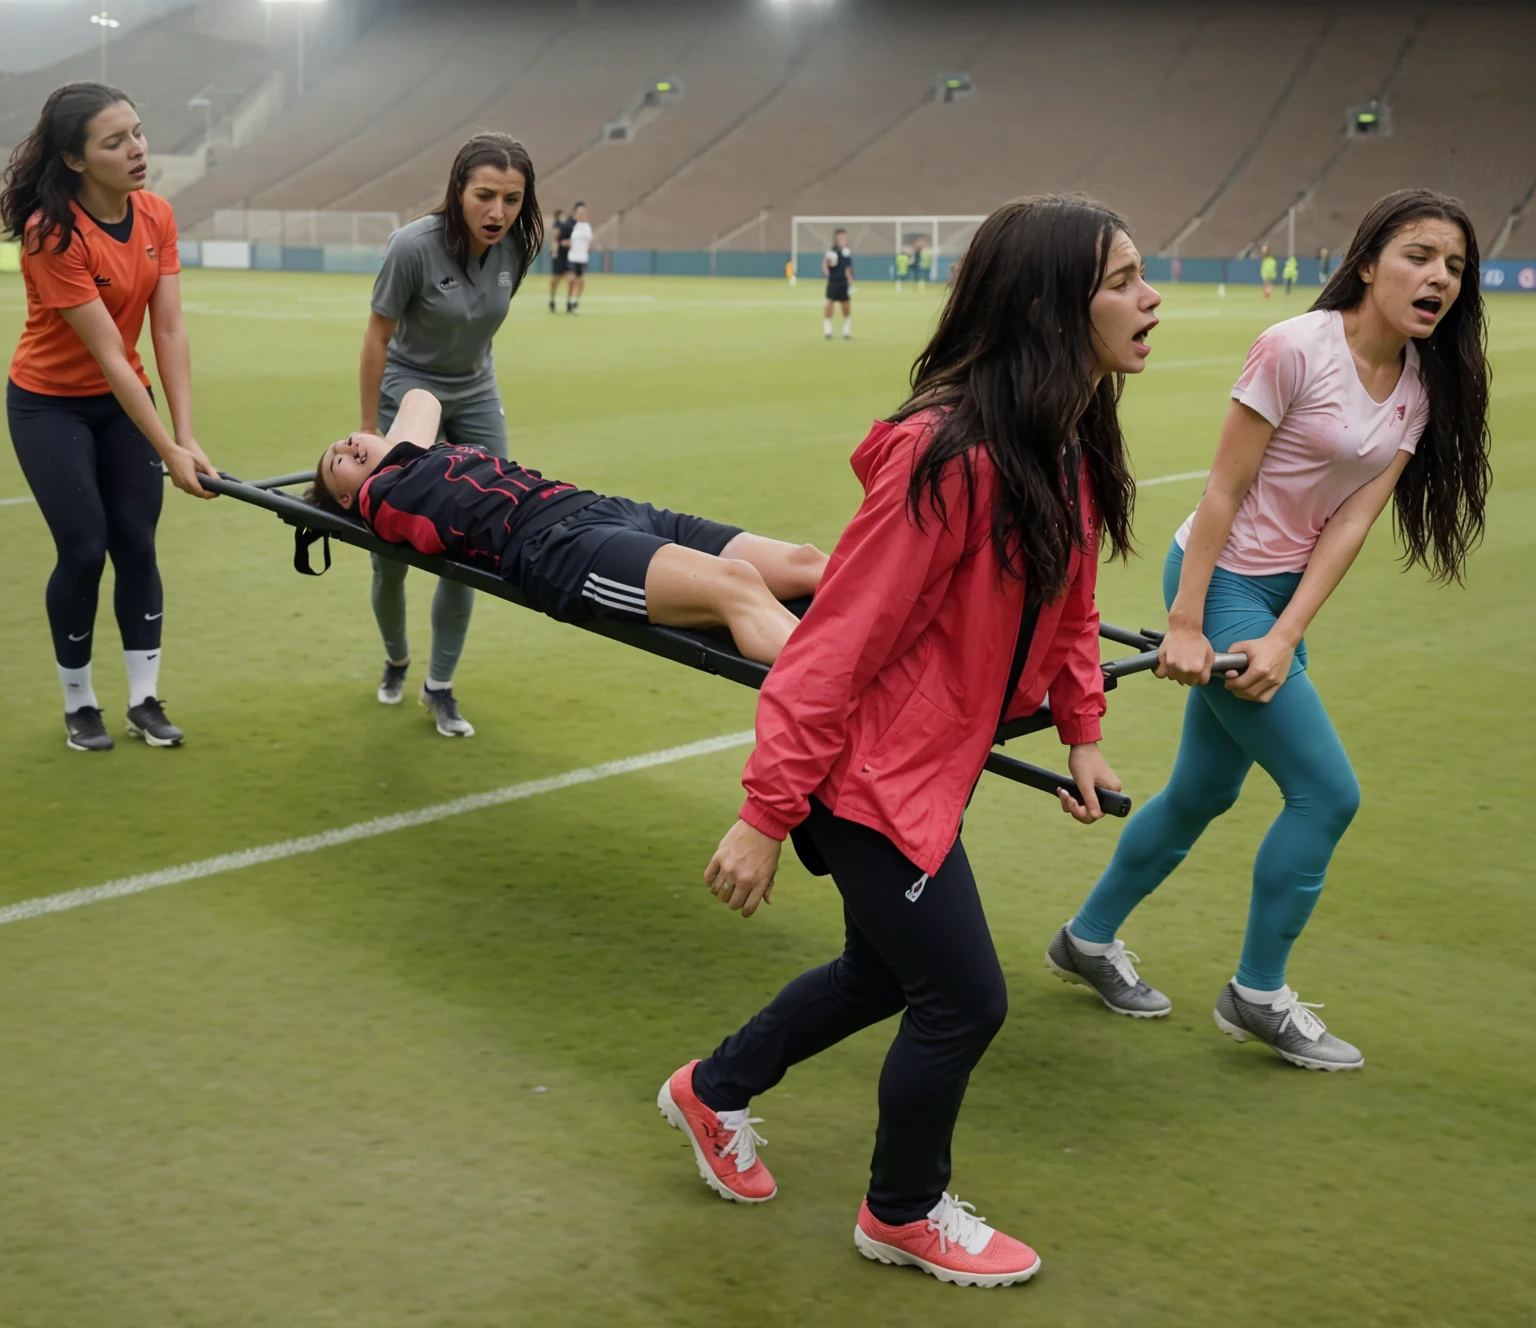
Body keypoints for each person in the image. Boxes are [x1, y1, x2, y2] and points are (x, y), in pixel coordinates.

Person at [658, 196, 1159, 1287]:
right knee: (966, 997)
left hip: (921, 770)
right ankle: (903, 1208)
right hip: (862, 779)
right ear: (1048, 304)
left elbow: (1070, 606)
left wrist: (1082, 730)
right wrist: (763, 813)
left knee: (885, 975)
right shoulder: (948, 459)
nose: (1149, 295)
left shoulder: (1063, 437)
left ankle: (714, 1088)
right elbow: (829, 649)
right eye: (1122, 278)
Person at [1051, 190, 1490, 1072]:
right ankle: (1258, 993)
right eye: (1418, 255)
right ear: (1368, 263)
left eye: (1452, 265)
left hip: (1275, 600)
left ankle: (1086, 941)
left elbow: (1351, 524)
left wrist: (1288, 632)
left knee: (1202, 794)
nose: (1437, 276)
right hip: (1218, 582)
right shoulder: (1296, 346)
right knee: (1327, 795)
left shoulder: (1420, 386)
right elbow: (1223, 488)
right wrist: (1186, 621)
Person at [2, 82, 216, 753]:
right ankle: (80, 702)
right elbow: (109, 355)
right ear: (75, 159)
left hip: (123, 403)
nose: (137, 149)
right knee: (85, 546)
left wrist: (185, 437)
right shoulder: (51, 233)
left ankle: (145, 700)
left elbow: (170, 331)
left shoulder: (156, 214)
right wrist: (171, 453)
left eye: (138, 132)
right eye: (114, 141)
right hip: (49, 404)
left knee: (136, 540)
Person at [309, 388, 827, 665]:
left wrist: (378, 444)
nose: (346, 447)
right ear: (353, 498)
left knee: (806, 563)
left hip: (599, 507)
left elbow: (423, 398)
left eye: (346, 440)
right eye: (340, 463)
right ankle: (841, 691)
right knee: (735, 586)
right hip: (558, 550)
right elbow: (418, 408)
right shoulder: (383, 498)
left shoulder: (410, 458)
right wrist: (377, 461)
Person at [357, 133, 538, 737]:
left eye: (511, 199)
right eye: (484, 195)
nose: (498, 212)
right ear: (457, 189)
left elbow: (480, 327)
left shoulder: (515, 246)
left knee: (477, 539)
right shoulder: (412, 246)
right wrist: (367, 428)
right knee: (392, 554)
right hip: (409, 391)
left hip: (476, 391)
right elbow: (377, 338)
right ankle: (396, 657)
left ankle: (439, 685)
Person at [822, 227, 853, 340]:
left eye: (844, 237)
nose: (843, 239)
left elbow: (848, 268)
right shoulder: (831, 252)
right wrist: (827, 273)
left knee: (846, 306)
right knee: (829, 304)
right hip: (833, 281)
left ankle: (845, 330)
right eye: (840, 237)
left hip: (843, 282)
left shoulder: (847, 252)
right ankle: (827, 329)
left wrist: (850, 279)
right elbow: (825, 265)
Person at [565, 201, 592, 314]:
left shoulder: (587, 227)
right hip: (572, 257)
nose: (581, 215)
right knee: (571, 279)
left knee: (581, 281)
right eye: (579, 213)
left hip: (582, 258)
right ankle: (570, 302)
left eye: (583, 213)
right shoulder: (572, 226)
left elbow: (589, 242)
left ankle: (575, 300)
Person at [547, 207, 570, 312]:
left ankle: (570, 302)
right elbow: (555, 238)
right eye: (562, 215)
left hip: (568, 254)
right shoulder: (557, 225)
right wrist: (554, 250)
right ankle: (552, 299)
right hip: (559, 254)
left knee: (570, 277)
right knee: (556, 278)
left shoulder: (569, 225)